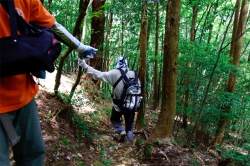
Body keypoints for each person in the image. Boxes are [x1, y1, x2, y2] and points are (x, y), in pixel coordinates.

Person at [0, 0, 97, 165]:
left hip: (24, 98)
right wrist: (80, 47)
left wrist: (80, 46)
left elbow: (52, 25)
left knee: (33, 156)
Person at [78, 56, 140, 143]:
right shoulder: (134, 74)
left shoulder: (114, 73)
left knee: (114, 119)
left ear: (117, 63)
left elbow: (98, 74)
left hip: (118, 105)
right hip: (132, 105)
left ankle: (121, 131)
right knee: (130, 124)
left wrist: (84, 65)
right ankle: (129, 142)